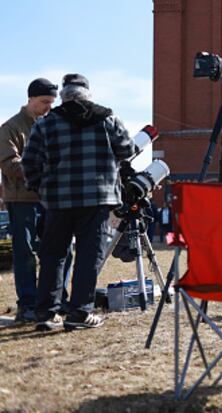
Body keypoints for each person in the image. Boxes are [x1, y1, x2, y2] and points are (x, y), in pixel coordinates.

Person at [22, 73, 135, 331]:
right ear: (88, 94)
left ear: (63, 95)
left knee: (53, 256)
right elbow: (127, 150)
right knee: (88, 257)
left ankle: (46, 315)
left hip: (58, 201)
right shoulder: (108, 119)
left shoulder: (46, 123)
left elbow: (30, 161)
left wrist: (41, 187)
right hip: (97, 199)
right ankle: (79, 313)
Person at [0, 78, 72, 323]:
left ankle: (56, 299)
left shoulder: (51, 125)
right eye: (44, 102)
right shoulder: (9, 128)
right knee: (25, 252)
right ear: (30, 99)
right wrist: (45, 168)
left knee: (62, 249)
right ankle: (28, 304)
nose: (48, 107)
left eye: (52, 102)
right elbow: (9, 165)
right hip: (21, 200)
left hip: (49, 198)